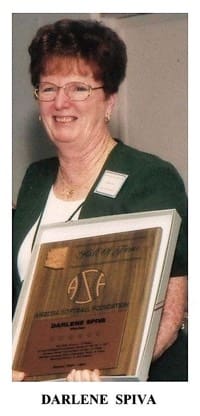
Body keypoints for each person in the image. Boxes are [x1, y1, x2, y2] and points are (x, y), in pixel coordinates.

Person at [12, 18, 188, 382]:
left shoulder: (149, 177)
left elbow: (169, 314)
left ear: (109, 100)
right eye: (48, 88)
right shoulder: (34, 179)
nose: (61, 102)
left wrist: (109, 376)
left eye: (79, 88)